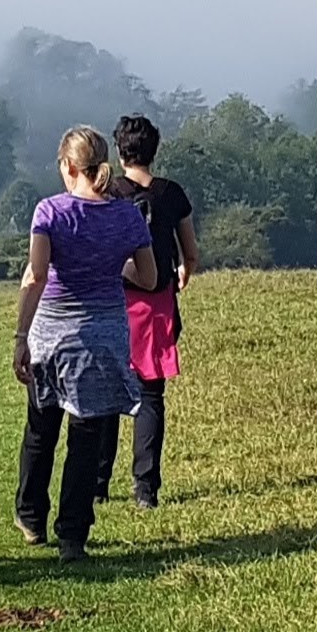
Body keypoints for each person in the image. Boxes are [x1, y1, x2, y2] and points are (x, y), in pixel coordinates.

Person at [12, 125, 159, 561]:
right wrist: (113, 271)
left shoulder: (50, 212)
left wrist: (20, 336)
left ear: (68, 166)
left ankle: (31, 516)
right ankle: (73, 535)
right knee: (87, 434)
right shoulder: (128, 215)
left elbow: (37, 276)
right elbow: (148, 278)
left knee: (41, 429)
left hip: (53, 336)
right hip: (103, 339)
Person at [111, 113, 200, 509]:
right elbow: (190, 252)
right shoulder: (171, 193)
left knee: (106, 394)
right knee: (151, 394)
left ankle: (96, 482)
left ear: (119, 150)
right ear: (155, 149)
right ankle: (145, 487)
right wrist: (182, 274)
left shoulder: (109, 193)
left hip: (115, 301)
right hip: (159, 305)